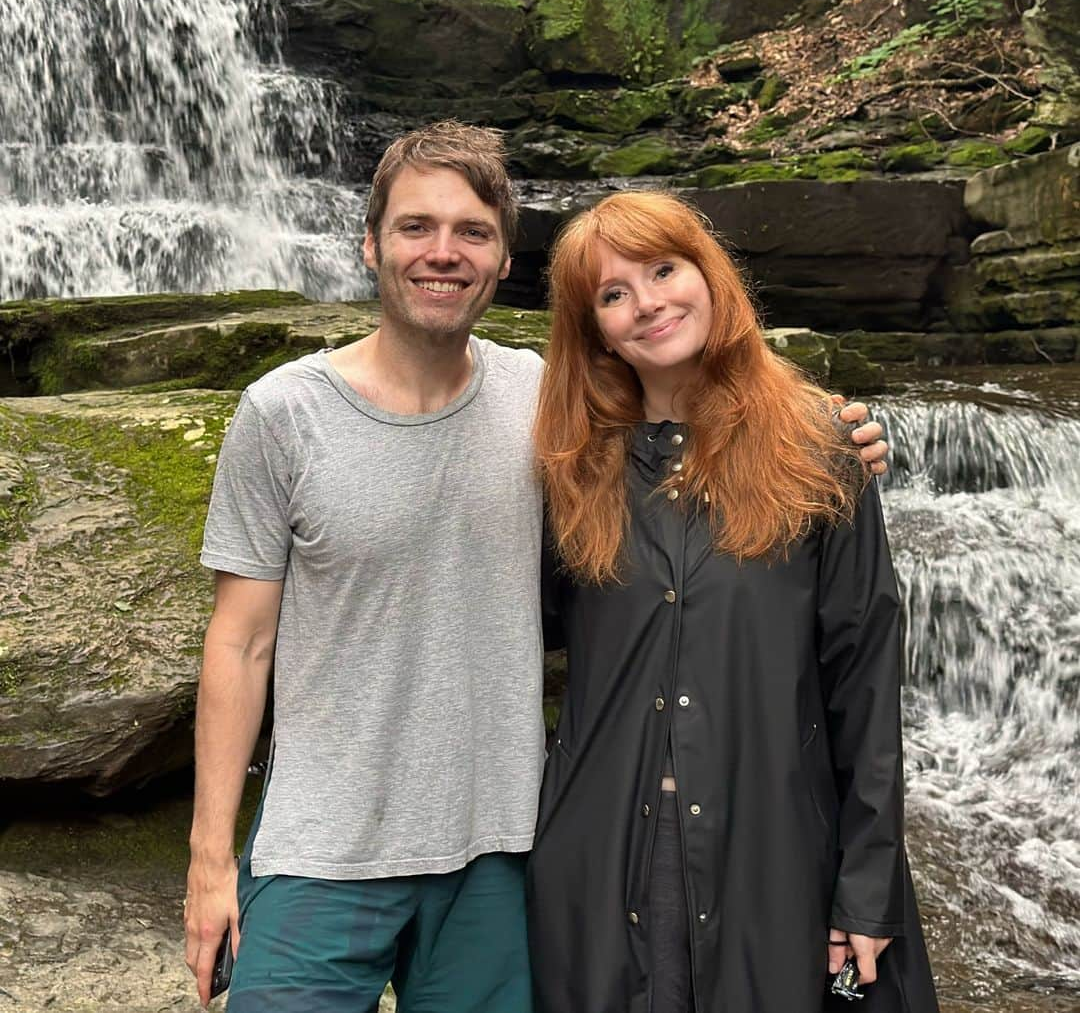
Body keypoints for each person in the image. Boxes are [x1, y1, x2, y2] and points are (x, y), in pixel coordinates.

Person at [183, 121, 890, 1012]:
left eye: (472, 233)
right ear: (368, 243)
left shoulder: (544, 405)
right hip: (323, 852)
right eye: (416, 228)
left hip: (500, 852)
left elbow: (695, 385)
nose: (444, 253)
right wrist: (211, 864)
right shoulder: (282, 414)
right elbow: (239, 645)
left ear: (501, 256)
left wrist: (828, 425)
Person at [528, 190, 937, 1013]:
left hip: (775, 852)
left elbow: (864, 679)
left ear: (709, 276)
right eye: (613, 294)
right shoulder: (567, 471)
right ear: (592, 330)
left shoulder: (820, 449)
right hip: (603, 863)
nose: (648, 303)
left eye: (664, 270)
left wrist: (867, 882)